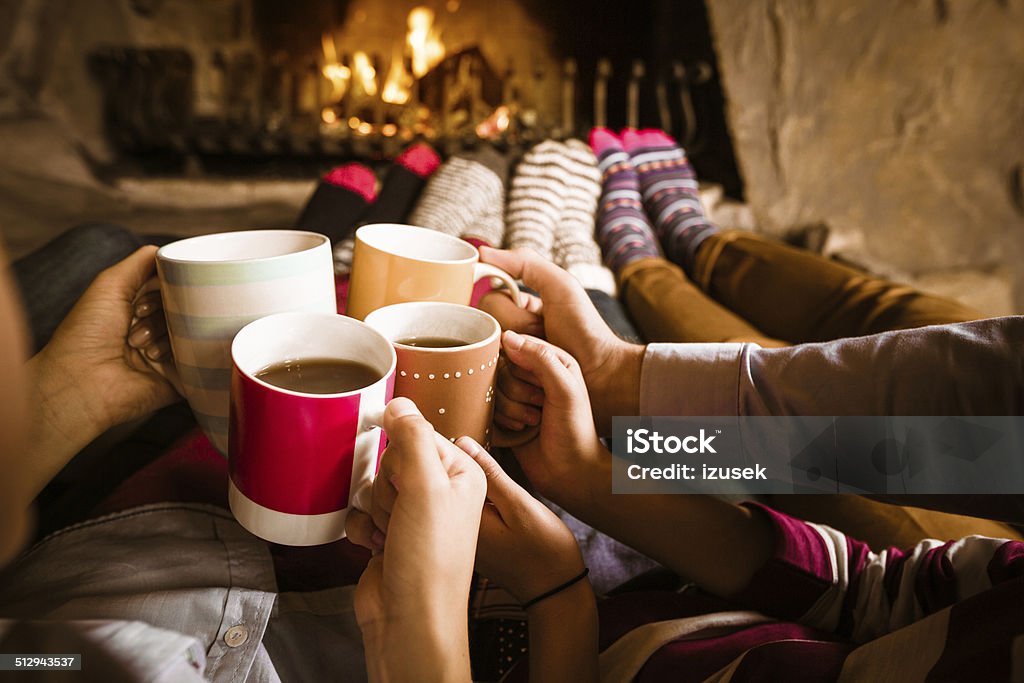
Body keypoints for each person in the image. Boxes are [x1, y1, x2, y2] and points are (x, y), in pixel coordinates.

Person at [0, 237, 599, 682]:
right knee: (581, 305)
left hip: (160, 515)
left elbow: (29, 658)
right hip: (381, 558)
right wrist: (548, 592)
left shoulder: (39, 657)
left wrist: (72, 397)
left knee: (102, 243)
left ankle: (416, 255)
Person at [468, 244, 1024, 679]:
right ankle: (651, 251)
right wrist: (588, 474)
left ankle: (643, 257)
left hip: (569, 627)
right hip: (692, 593)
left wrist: (555, 598)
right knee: (891, 315)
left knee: (869, 316)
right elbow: (876, 592)